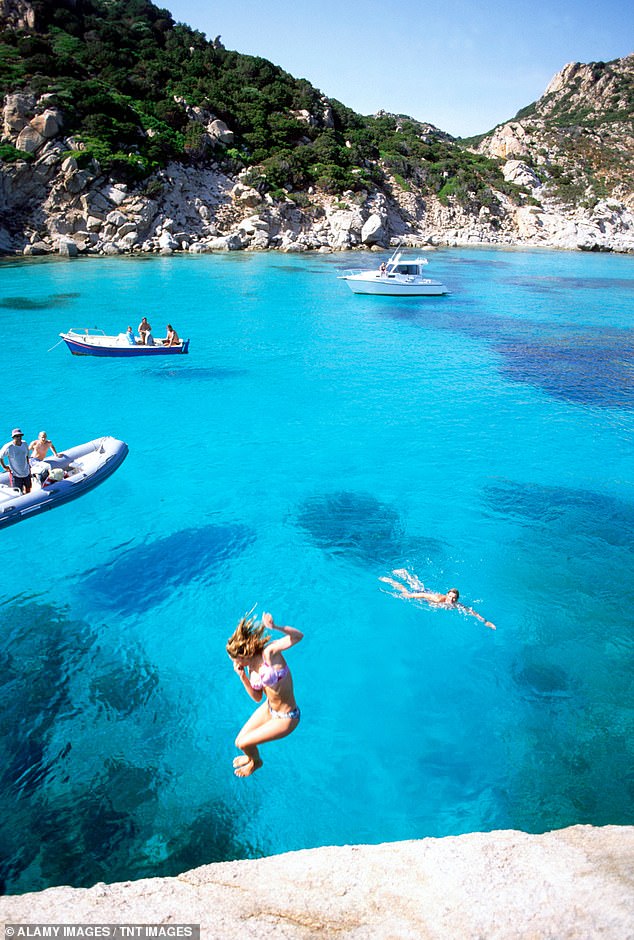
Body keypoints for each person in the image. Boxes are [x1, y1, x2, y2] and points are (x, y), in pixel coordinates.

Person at [226, 610, 303, 778]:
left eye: (235, 659)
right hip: (269, 709)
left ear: (243, 655)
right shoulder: (249, 667)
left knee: (245, 743)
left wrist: (276, 626)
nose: (234, 662)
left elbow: (298, 637)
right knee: (239, 742)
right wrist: (243, 677)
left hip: (287, 717)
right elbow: (257, 698)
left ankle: (256, 762)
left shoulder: (269, 654)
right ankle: (250, 756)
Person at [380, 568, 496, 629]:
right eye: (450, 597)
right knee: (407, 591)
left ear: (457, 599)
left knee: (416, 585)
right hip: (424, 597)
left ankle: (405, 573)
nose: (451, 600)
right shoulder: (437, 599)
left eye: (454, 598)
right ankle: (390, 580)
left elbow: (472, 612)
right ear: (447, 595)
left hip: (427, 594)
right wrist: (410, 596)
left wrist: (486, 621)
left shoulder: (456, 605)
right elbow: (424, 595)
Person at [0, 428, 32, 494]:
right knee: (17, 491)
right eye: (17, 436)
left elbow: (27, 456)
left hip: (26, 472)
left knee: (28, 488)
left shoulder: (24, 444)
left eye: (20, 436)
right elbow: (0, 457)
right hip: (15, 474)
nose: (19, 438)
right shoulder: (9, 447)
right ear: (13, 437)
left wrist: (29, 467)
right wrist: (4, 466)